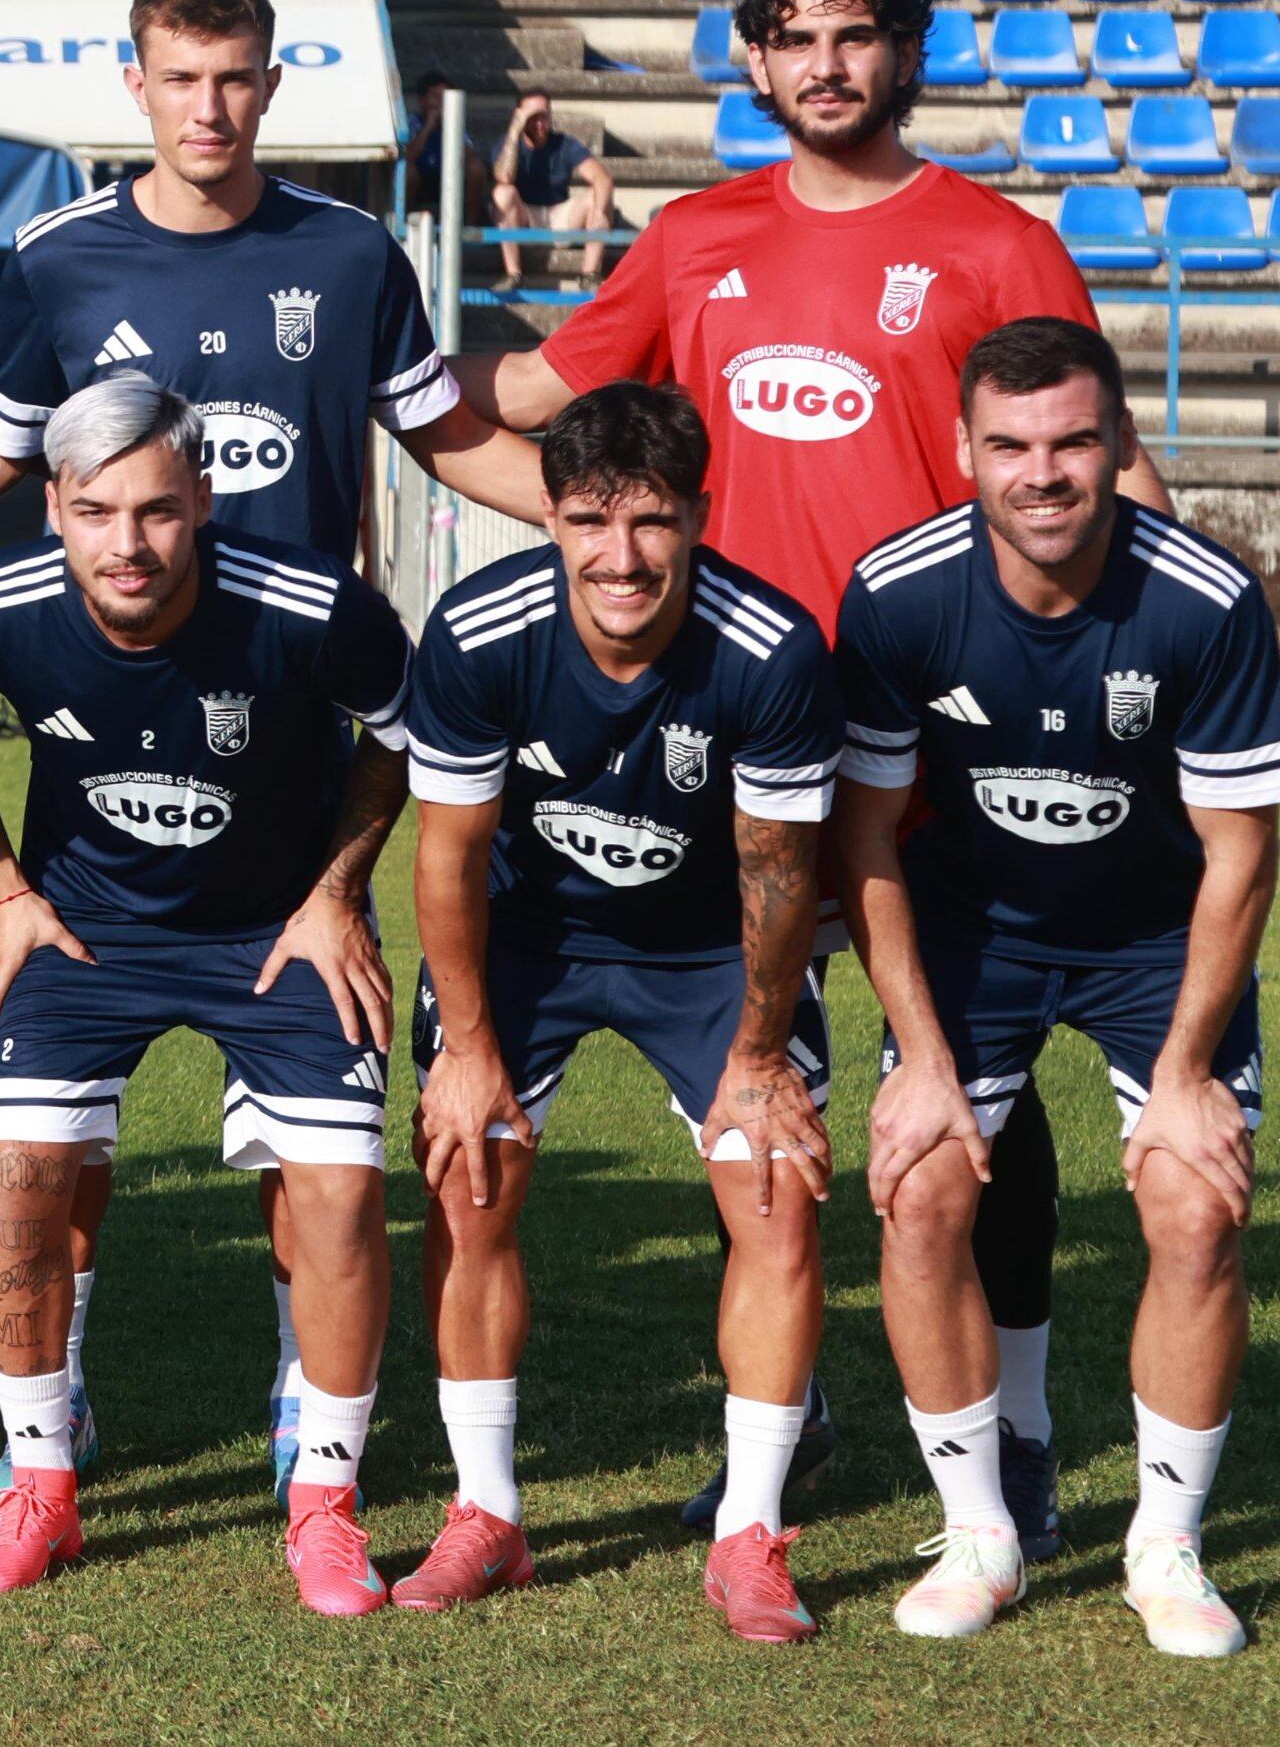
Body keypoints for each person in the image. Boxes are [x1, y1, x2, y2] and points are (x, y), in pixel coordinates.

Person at [455, 0, 1167, 1546]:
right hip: (730, 727)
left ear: (903, 50)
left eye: (855, 34)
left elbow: (1092, 461)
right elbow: (543, 408)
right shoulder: (695, 236)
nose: (825, 65)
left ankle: (1029, 1421)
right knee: (749, 1078)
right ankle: (785, 1410)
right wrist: (375, 361)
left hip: (950, 724)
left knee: (979, 1081)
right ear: (753, 57)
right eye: (793, 35)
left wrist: (1174, 658)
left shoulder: (997, 245)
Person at [0, 0, 541, 1495]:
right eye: (181, 77)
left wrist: (596, 518)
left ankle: (309, 1382)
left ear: (272, 83)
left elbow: (446, 438)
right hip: (110, 741)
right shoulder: (58, 257)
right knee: (60, 1138)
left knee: (303, 1130)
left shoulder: (354, 251)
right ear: (137, 86)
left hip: (295, 730)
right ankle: (65, 1403)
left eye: (236, 77)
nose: (210, 108)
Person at [833, 319, 1280, 1658]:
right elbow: (863, 838)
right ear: (967, 450)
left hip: (1158, 938)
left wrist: (1188, 1071)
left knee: (1194, 1199)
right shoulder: (899, 592)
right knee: (921, 1183)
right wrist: (920, 1057)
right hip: (973, 932)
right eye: (1013, 444)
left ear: (1119, 445)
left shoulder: (1203, 599)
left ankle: (1167, 1544)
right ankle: (982, 1532)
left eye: (1076, 441)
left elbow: (1241, 855)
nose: (1045, 472)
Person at [0, 372, 415, 1614]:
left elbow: (407, 728)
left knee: (341, 1191)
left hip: (276, 930)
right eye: (95, 511)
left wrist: (339, 889)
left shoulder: (310, 608)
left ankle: (325, 1504)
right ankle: (40, 1479)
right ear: (52, 508)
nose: (126, 542)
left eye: (154, 509)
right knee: (17, 1173)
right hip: (85, 931)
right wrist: (1, 885)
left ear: (202, 498)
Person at [397, 381, 841, 1641]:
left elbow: (777, 874)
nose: (621, 555)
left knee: (772, 1183)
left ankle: (749, 1533)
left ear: (699, 515)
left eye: (649, 520)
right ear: (549, 516)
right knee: (467, 1171)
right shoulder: (478, 631)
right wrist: (468, 1050)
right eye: (590, 518)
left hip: (706, 947)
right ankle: (486, 1514)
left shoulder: (770, 648)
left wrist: (758, 1055)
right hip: (525, 935)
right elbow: (444, 859)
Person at [489, 92, 620, 281]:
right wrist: (514, 131)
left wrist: (599, 211)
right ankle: (513, 274)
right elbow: (504, 177)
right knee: (502, 193)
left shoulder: (564, 144)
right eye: (533, 117)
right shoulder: (507, 143)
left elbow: (602, 178)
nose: (540, 123)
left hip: (560, 217)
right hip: (524, 218)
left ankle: (589, 274)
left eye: (544, 115)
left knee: (599, 195)